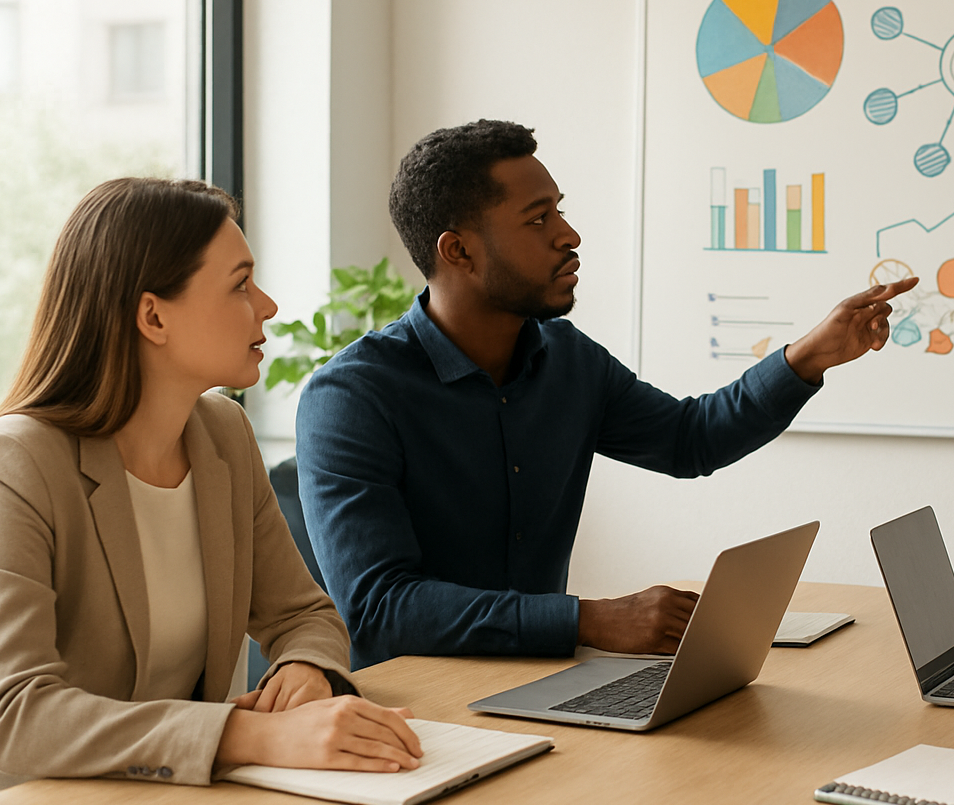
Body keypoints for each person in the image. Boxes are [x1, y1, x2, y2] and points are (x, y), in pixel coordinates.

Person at [296, 120, 916, 666]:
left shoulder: (566, 359)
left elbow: (689, 440)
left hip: (541, 683)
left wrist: (811, 356)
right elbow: (379, 607)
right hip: (412, 706)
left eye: (559, 211)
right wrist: (589, 620)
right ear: (458, 250)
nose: (569, 235)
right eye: (538, 219)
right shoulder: (352, 396)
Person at [0, 178, 422, 805]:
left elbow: (301, 613)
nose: (269, 305)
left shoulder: (222, 433)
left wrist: (306, 670)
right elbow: (13, 714)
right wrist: (251, 734)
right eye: (240, 284)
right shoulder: (13, 461)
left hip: (168, 802)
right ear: (153, 316)